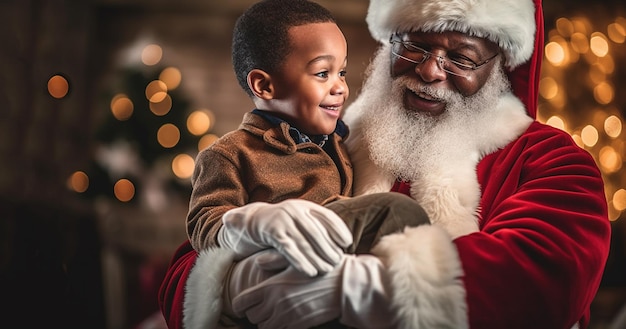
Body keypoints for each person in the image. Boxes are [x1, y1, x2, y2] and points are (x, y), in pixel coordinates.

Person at [159, 0, 612, 328]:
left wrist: (365, 289)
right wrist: (238, 284)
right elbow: (184, 269)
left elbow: (543, 275)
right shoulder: (331, 138)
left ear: (498, 70)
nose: (431, 71)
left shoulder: (551, 159)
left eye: (461, 58)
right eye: (414, 46)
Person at [178, 0, 429, 327]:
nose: (340, 86)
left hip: (329, 270)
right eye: (323, 73)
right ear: (265, 85)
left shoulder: (340, 142)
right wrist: (255, 222)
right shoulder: (228, 153)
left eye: (340, 71)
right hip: (274, 263)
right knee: (397, 212)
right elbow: (203, 225)